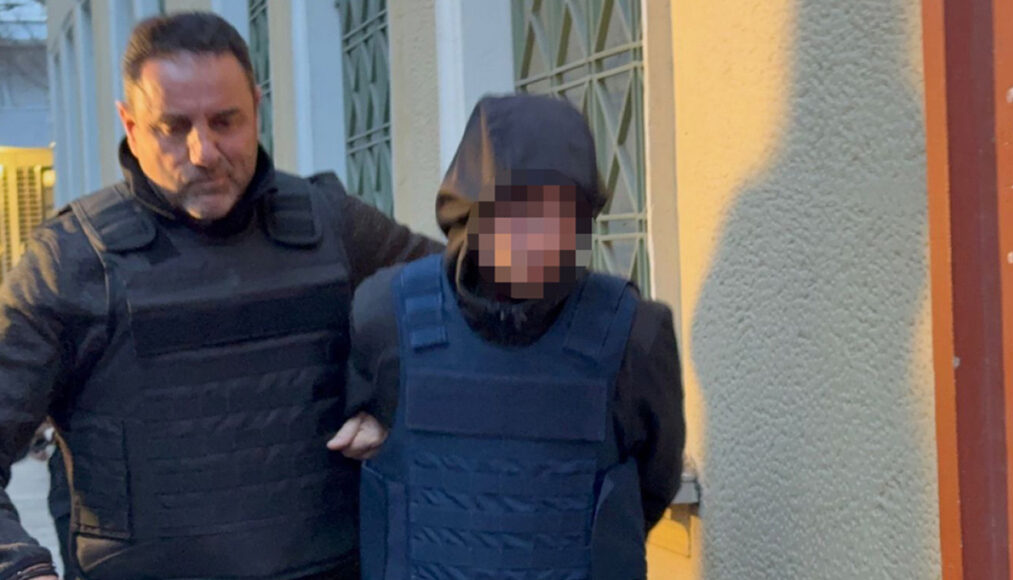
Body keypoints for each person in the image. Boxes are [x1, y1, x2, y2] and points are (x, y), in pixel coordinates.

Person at [0, 12, 439, 580]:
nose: (203, 151)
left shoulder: (332, 225)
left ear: (257, 108)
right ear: (130, 125)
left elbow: (469, 300)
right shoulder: (70, 261)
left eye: (225, 121)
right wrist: (23, 569)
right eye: (173, 127)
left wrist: (394, 399)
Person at [346, 95, 686, 579]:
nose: (542, 236)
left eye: (564, 214)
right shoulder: (385, 317)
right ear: (472, 213)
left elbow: (653, 483)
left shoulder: (635, 333)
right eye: (519, 211)